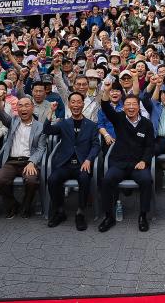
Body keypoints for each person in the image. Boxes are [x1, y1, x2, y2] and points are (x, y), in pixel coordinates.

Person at [98, 79, 154, 233]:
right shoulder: (119, 119)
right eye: (127, 105)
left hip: (138, 164)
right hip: (119, 162)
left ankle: (143, 215)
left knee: (146, 180)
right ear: (124, 107)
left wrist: (144, 160)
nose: (130, 107)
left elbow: (150, 146)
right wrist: (107, 91)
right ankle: (108, 216)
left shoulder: (147, 124)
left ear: (138, 107)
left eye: (133, 105)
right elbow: (105, 107)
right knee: (108, 179)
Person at [45, 94, 99, 231]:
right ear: (69, 105)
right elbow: (47, 130)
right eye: (73, 102)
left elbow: (96, 145)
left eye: (78, 102)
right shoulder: (63, 123)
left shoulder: (92, 125)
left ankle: (80, 213)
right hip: (65, 164)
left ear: (82, 105)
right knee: (52, 179)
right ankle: (60, 211)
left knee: (85, 178)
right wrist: (51, 111)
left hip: (82, 163)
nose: (75, 105)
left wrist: (88, 159)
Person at [0, 96, 47, 219]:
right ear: (16, 108)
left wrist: (32, 162)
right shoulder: (12, 121)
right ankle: (13, 204)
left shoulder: (40, 126)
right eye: (20, 105)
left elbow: (41, 148)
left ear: (33, 108)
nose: (23, 108)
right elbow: (1, 113)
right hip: (12, 161)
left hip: (28, 161)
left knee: (32, 180)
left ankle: (26, 205)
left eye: (27, 105)